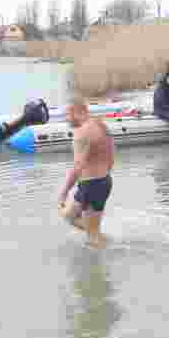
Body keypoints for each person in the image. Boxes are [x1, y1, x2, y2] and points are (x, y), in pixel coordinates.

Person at [57, 97, 115, 249]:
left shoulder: (81, 133)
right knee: (69, 216)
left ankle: (100, 267)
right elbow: (111, 151)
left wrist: (64, 192)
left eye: (67, 115)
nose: (66, 120)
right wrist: (105, 172)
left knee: (92, 237)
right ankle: (102, 238)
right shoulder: (100, 125)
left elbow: (77, 166)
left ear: (76, 112)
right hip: (103, 181)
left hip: (91, 184)